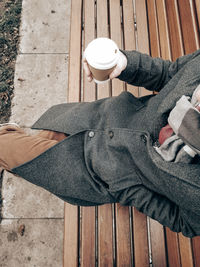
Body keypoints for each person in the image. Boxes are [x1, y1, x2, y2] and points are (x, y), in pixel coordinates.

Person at [1, 48, 200, 238]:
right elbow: (170, 73)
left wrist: (129, 190)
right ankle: (13, 151)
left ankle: (10, 145)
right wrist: (125, 64)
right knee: (36, 148)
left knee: (12, 149)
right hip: (100, 118)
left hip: (96, 175)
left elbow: (187, 222)